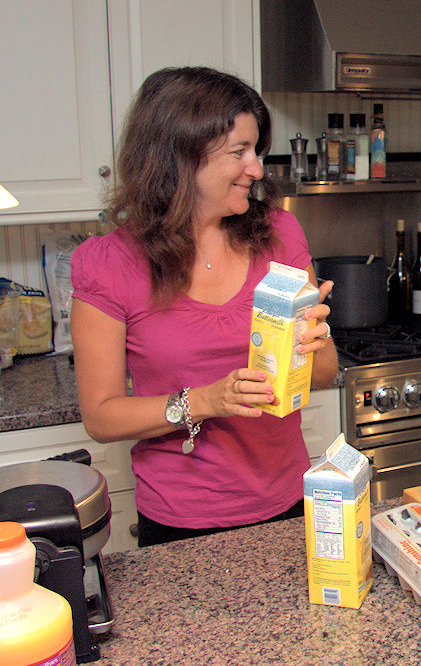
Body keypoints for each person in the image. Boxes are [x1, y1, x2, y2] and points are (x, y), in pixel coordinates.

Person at [70, 67, 340, 547]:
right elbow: (101, 416)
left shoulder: (279, 235)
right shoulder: (107, 264)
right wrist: (205, 401)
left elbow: (323, 375)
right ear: (180, 158)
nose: (256, 168)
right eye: (239, 152)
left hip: (285, 503)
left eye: (255, 150)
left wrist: (312, 342)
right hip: (180, 522)